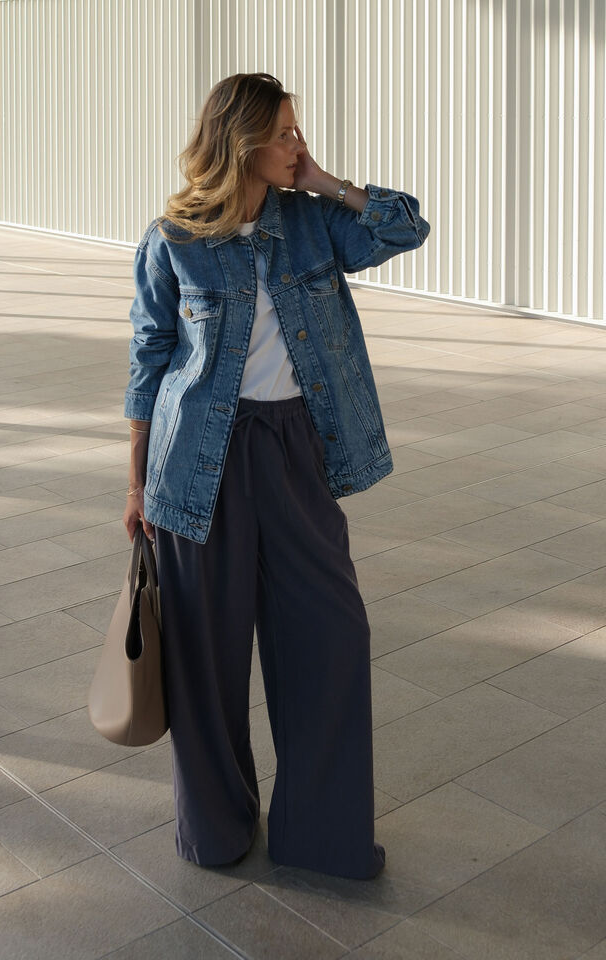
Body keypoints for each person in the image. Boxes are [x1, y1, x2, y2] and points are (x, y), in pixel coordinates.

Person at [123, 72, 430, 880]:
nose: (299, 144)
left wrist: (325, 180)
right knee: (206, 654)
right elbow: (148, 363)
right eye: (287, 133)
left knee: (331, 636)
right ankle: (217, 830)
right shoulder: (173, 238)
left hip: (296, 449)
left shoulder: (314, 223)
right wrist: (133, 486)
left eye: (298, 132)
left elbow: (406, 228)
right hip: (198, 460)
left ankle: (320, 836)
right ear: (242, 142)